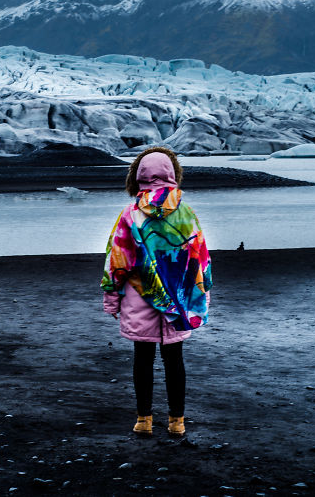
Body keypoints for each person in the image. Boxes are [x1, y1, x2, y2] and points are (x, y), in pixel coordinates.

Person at [100, 147, 212, 436]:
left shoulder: (131, 213)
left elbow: (118, 260)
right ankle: (177, 423)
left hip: (140, 299)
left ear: (138, 176)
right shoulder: (186, 212)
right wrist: (203, 294)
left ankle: (144, 420)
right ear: (172, 174)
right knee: (175, 361)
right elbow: (200, 257)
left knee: (142, 359)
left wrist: (112, 299)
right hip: (179, 299)